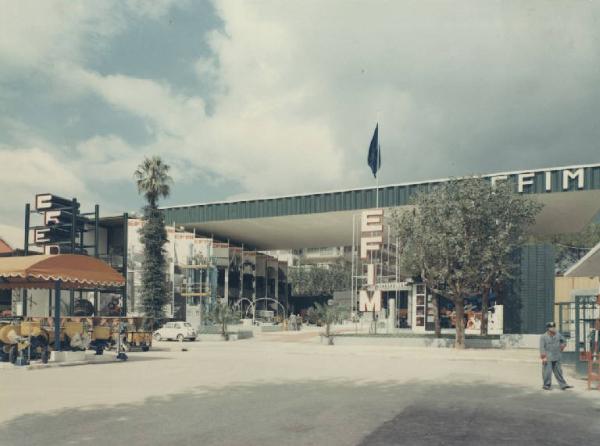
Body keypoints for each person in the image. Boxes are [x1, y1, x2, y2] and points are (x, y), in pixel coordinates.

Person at [539, 321, 573, 390]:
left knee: (559, 371)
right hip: (548, 357)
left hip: (557, 356)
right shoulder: (543, 337)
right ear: (548, 328)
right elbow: (542, 348)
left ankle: (563, 385)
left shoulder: (558, 334)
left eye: (554, 327)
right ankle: (546, 385)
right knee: (547, 372)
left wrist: (563, 345)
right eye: (551, 327)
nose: (553, 328)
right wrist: (543, 357)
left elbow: (564, 340)